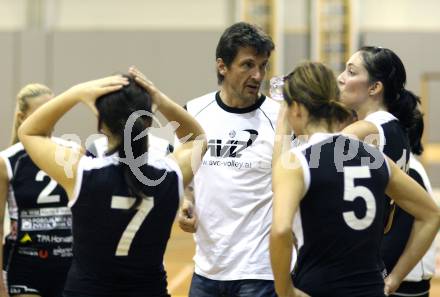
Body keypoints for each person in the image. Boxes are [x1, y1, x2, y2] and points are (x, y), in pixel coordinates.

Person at [17, 67, 207, 297]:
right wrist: (158, 98)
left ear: (101, 124)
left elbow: (30, 132)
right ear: (148, 122)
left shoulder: (81, 172)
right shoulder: (169, 176)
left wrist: (76, 92)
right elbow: (197, 138)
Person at [270, 61, 440, 297]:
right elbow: (431, 214)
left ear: (296, 109)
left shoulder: (297, 161)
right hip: (371, 289)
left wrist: (285, 291)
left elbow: (280, 230)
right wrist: (395, 278)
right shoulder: (375, 157)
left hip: (317, 287)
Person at [177, 22, 281, 297]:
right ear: (222, 66)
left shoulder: (280, 118)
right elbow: (179, 176)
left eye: (263, 65)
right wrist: (183, 203)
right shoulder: (194, 113)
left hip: (259, 273)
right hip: (207, 270)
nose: (257, 75)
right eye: (247, 65)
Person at [338, 46, 421, 272]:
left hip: (353, 263)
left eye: (351, 72)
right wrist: (395, 277)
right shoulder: (396, 129)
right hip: (372, 261)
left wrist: (291, 114)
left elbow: (300, 162)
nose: (341, 78)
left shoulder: (366, 131)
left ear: (374, 87)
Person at [0, 84, 73, 297]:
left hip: (68, 265)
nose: (50, 115)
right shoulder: (7, 161)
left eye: (54, 108)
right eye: (43, 110)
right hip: (25, 265)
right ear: (22, 117)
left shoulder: (72, 152)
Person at [389, 109, 437, 297]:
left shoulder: (410, 171)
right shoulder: (407, 167)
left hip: (406, 282)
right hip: (404, 279)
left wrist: (383, 273)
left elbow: (400, 231)